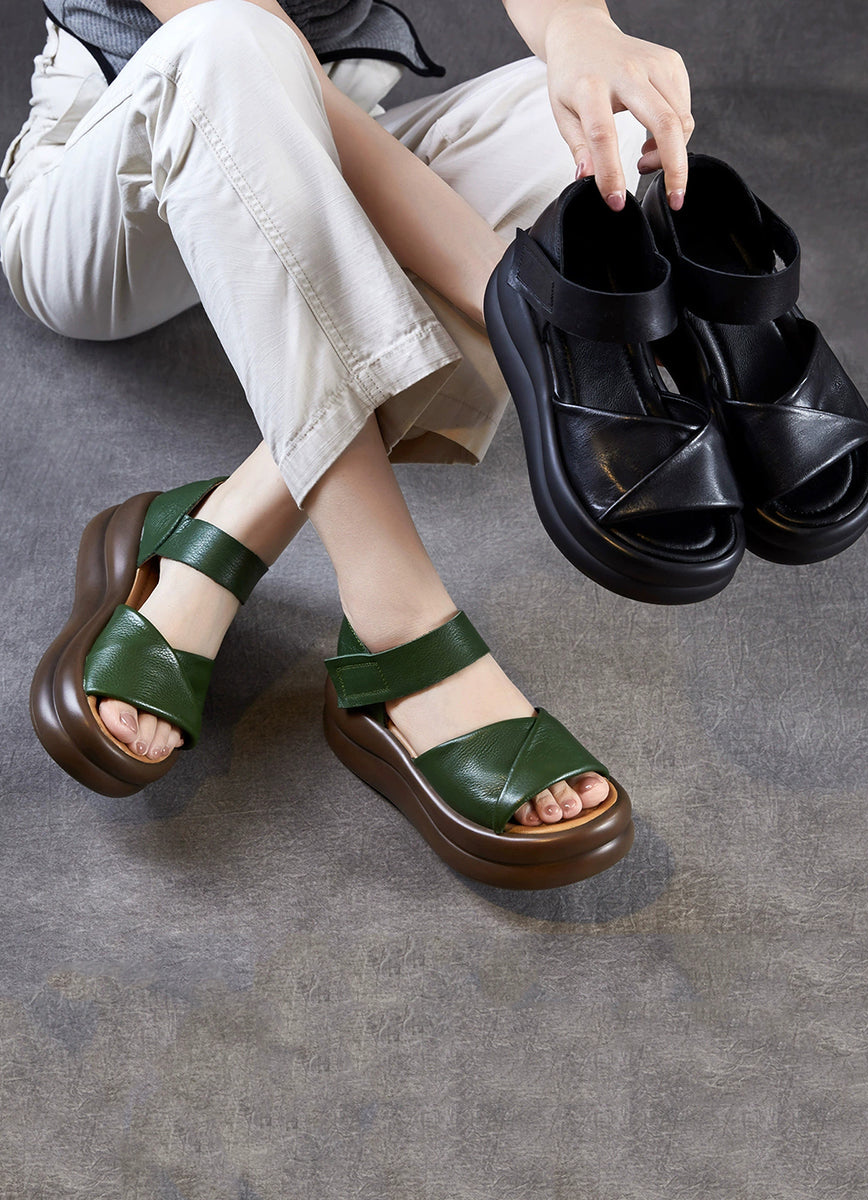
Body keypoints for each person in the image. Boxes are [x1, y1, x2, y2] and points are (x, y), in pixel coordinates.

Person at [1, 0, 691, 859]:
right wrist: (522, 312)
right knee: (226, 37)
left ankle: (229, 523)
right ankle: (396, 611)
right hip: (112, 186)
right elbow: (247, 55)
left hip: (308, 144)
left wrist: (580, 32)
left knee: (601, 127)